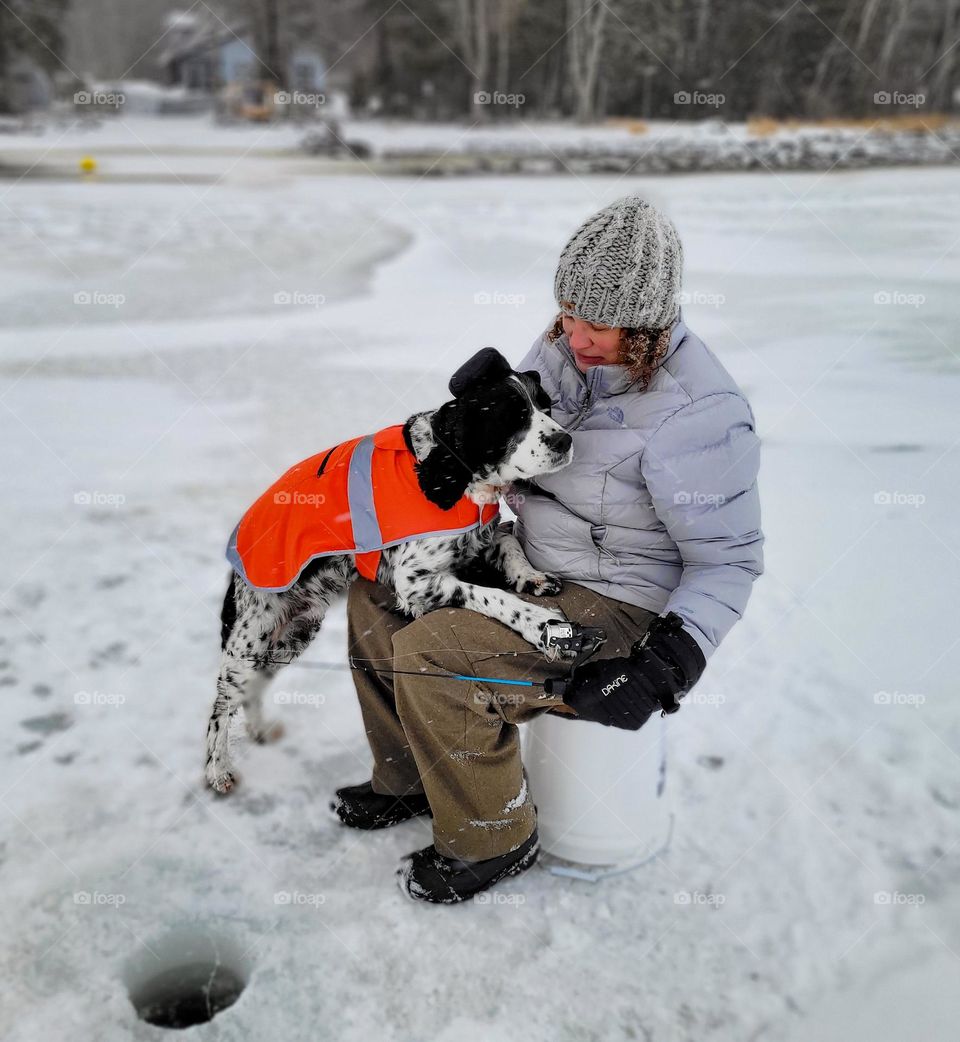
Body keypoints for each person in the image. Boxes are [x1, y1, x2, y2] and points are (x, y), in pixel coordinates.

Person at [332, 195, 764, 904]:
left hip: (617, 599)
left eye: (599, 323)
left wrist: (666, 667)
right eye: (568, 312)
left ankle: (493, 837)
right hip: (527, 557)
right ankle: (412, 778)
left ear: (650, 324)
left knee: (438, 651)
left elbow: (728, 561)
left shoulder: (701, 413)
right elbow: (517, 438)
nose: (576, 336)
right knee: (376, 594)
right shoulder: (563, 351)